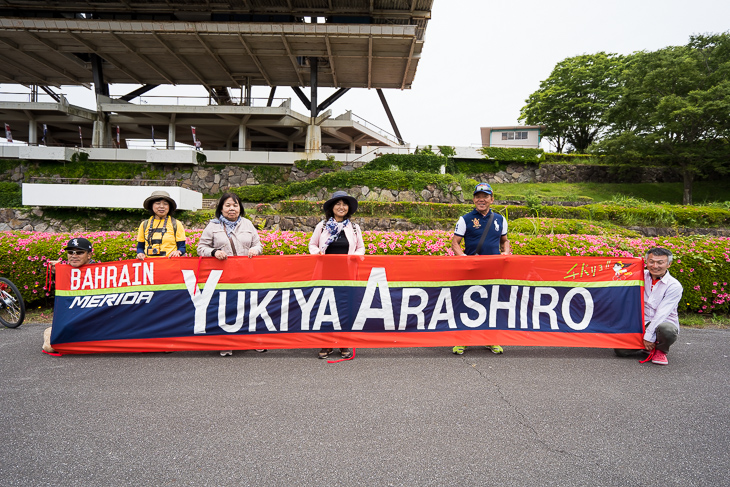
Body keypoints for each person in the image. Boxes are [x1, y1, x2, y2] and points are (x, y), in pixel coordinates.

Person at [197, 192, 265, 357]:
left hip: (246, 274)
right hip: (223, 276)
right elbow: (201, 247)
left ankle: (252, 341)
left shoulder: (248, 224)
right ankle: (226, 342)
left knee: (249, 307)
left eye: (235, 205)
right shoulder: (213, 226)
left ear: (240, 208)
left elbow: (258, 244)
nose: (231, 209)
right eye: (227, 205)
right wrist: (214, 252)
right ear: (221, 208)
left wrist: (255, 249)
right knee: (226, 308)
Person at [450, 182, 510, 356]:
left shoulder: (500, 219)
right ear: (473, 199)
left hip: (493, 270)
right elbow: (455, 243)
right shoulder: (465, 219)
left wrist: (505, 253)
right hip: (471, 270)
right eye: (478, 196)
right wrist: (464, 260)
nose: (481, 199)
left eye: (485, 196)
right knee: (466, 303)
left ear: (492, 199)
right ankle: (462, 340)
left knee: (491, 303)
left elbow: (504, 240)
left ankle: (491, 339)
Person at [309, 190, 365, 359]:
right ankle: (326, 344)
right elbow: (312, 244)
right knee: (326, 307)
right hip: (325, 274)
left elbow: (361, 248)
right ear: (332, 207)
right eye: (338, 204)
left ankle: (343, 343)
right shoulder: (323, 226)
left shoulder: (354, 228)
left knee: (344, 308)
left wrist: (355, 255)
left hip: (346, 274)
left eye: (345, 204)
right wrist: (317, 252)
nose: (341, 207)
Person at [615, 247, 683, 365]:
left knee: (668, 330)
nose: (655, 266)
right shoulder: (640, 276)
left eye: (660, 262)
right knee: (620, 351)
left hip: (663, 322)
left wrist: (649, 336)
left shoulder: (674, 286)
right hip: (642, 322)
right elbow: (618, 277)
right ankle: (647, 347)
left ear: (668, 264)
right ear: (646, 262)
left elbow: (662, 313)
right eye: (651, 261)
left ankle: (661, 350)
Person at [45, 238, 95, 354]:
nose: (74, 255)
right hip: (73, 321)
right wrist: (59, 272)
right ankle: (50, 331)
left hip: (95, 321)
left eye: (79, 252)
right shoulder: (65, 271)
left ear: (89, 255)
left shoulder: (101, 271)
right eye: (70, 252)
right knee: (50, 347)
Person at [136, 190, 187, 260]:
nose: (162, 206)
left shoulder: (176, 224)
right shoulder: (144, 224)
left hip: (170, 264)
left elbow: (182, 247)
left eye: (165, 204)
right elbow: (140, 247)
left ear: (169, 207)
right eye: (158, 203)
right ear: (152, 206)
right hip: (149, 265)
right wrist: (140, 253)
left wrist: (178, 252)